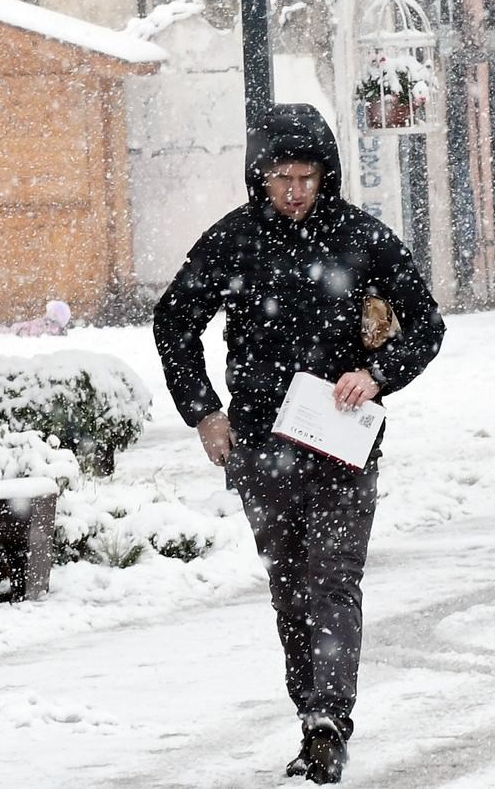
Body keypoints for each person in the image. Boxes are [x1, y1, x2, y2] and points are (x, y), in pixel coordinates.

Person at [153, 104, 444, 784]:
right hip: (260, 445)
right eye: (281, 176)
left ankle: (328, 722)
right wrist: (204, 413)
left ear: (326, 175)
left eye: (306, 177)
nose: (293, 190)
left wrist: (375, 374)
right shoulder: (233, 241)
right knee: (289, 587)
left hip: (342, 445)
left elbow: (425, 325)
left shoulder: (363, 240)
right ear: (260, 176)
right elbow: (174, 320)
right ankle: (308, 705)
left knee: (333, 580)